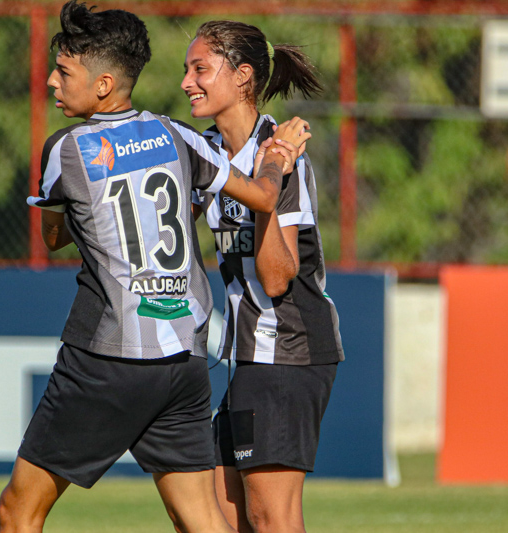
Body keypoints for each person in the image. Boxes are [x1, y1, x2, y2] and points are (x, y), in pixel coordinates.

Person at [0, 3, 310, 532]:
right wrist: (277, 156)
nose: (52, 81)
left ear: (102, 85)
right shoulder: (177, 136)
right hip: (184, 362)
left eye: (64, 71)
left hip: (107, 359)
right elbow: (261, 196)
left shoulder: (66, 149)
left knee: (18, 511)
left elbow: (54, 237)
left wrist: (76, 211)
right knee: (201, 518)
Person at [181, 20, 345, 533]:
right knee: (208, 513)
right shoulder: (203, 150)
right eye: (186, 70)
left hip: (288, 348)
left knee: (270, 518)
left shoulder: (279, 154)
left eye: (200, 69)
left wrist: (267, 177)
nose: (187, 82)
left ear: (243, 76)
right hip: (249, 354)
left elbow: (276, 278)